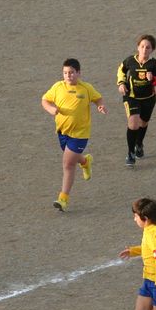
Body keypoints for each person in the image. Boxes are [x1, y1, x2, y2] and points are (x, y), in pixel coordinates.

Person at [41, 58, 106, 212]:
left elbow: (98, 98)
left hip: (80, 133)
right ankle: (85, 162)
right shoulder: (57, 87)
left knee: (68, 164)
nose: (68, 75)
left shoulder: (86, 88)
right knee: (72, 157)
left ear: (78, 73)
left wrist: (100, 105)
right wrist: (50, 109)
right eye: (65, 73)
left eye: (71, 72)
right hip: (62, 132)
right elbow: (45, 100)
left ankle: (63, 199)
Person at [116, 34, 156, 167]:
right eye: (142, 46)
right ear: (138, 47)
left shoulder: (154, 64)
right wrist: (121, 83)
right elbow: (121, 70)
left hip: (148, 98)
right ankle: (131, 153)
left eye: (148, 47)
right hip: (131, 97)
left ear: (152, 50)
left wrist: (152, 79)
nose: (144, 49)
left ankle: (139, 144)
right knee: (133, 123)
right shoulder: (130, 61)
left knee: (143, 123)